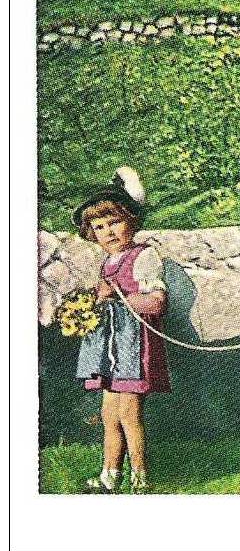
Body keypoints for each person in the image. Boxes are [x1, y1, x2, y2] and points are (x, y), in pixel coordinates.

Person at [73, 167, 169, 493]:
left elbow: (156, 303)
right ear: (92, 234)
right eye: (99, 227)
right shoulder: (106, 263)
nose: (108, 232)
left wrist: (119, 297)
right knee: (109, 414)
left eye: (114, 222)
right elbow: (103, 300)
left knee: (129, 414)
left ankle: (140, 479)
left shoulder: (144, 256)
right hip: (109, 347)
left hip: (132, 345)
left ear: (131, 220)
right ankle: (109, 477)